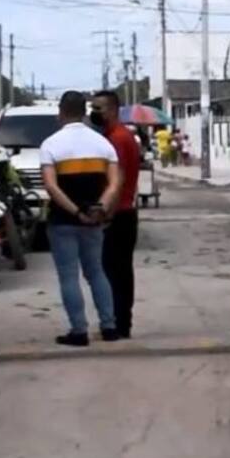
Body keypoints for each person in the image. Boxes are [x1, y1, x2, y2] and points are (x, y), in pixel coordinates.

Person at [39, 91, 121, 347]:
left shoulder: (51, 145)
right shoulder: (103, 144)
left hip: (63, 221)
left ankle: (79, 330)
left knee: (69, 276)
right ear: (85, 113)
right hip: (95, 221)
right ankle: (109, 326)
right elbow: (114, 182)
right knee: (96, 272)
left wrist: (76, 212)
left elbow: (51, 186)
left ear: (61, 112)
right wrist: (100, 207)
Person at [91, 90, 140, 340]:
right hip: (124, 212)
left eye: (98, 108)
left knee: (114, 273)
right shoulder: (118, 136)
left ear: (112, 110)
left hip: (118, 214)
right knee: (120, 271)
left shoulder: (117, 139)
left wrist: (105, 213)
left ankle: (119, 324)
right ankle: (121, 322)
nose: (94, 113)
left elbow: (117, 181)